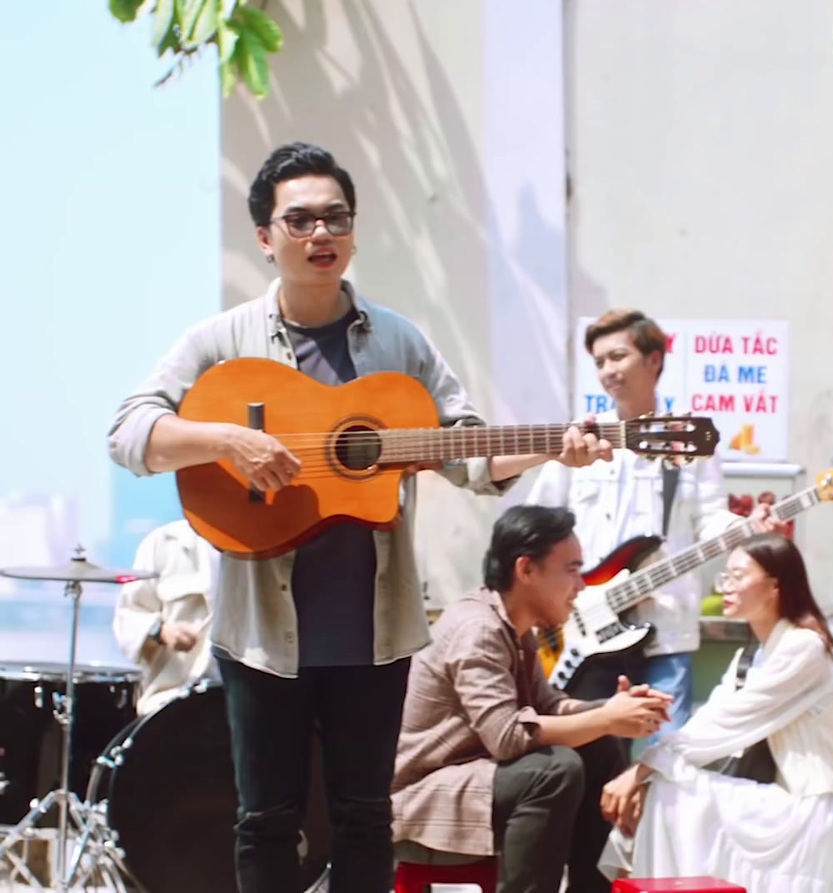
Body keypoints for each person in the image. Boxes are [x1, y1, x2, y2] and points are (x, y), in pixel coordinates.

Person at [106, 141, 612, 893]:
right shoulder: (221, 342)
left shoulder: (399, 341)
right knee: (267, 818)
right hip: (261, 634)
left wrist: (549, 449)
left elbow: (468, 453)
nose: (321, 235)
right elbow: (128, 433)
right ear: (266, 235)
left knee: (367, 816)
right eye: (300, 219)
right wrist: (227, 440)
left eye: (336, 218)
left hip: (373, 633)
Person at [391, 505, 672, 893]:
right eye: (571, 570)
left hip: (481, 776)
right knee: (554, 770)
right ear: (526, 570)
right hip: (427, 793)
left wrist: (611, 711)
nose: (581, 586)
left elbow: (549, 705)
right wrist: (606, 718)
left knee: (596, 746)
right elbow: (507, 736)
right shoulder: (478, 629)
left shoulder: (516, 628)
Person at [527, 309, 774, 732]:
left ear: (654, 360)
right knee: (594, 754)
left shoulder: (690, 439)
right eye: (600, 362)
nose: (608, 371)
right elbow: (534, 523)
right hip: (585, 633)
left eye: (618, 356)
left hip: (666, 626)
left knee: (670, 755)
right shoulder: (580, 439)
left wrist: (746, 527)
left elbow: (710, 520)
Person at [596, 534, 833, 892]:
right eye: (725, 576)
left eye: (738, 576)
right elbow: (708, 721)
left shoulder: (805, 649)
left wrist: (640, 770)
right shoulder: (750, 658)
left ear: (774, 586)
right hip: (778, 804)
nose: (725, 586)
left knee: (666, 788)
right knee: (661, 786)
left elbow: (725, 726)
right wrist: (645, 770)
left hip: (813, 811)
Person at [112, 519, 221, 716]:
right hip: (169, 700)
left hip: (244, 701)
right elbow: (128, 616)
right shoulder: (164, 542)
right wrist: (161, 631)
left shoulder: (270, 547)